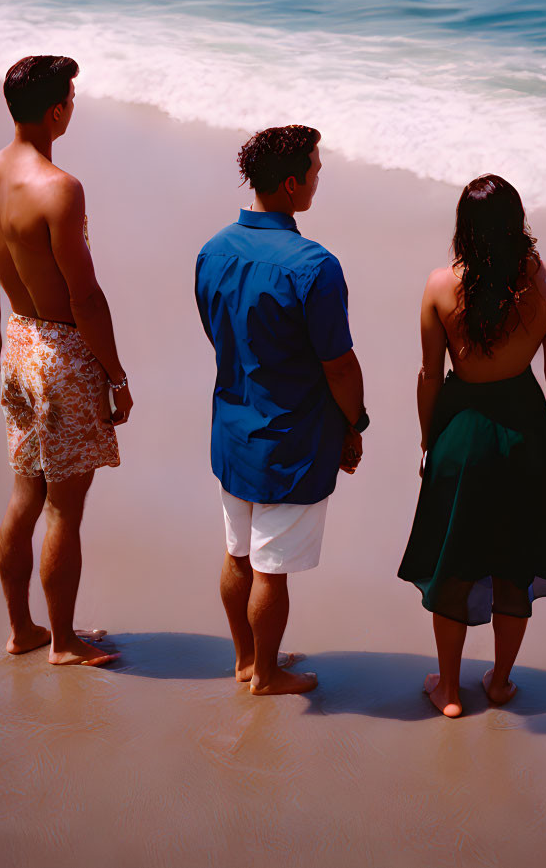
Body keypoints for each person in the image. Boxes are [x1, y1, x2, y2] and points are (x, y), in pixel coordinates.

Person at [0, 55, 133, 668]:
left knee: (23, 495)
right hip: (63, 351)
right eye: (71, 97)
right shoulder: (60, 188)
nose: (73, 107)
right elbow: (85, 296)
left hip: (18, 342)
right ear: (56, 109)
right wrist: (116, 376)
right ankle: (63, 642)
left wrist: (2, 355)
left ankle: (23, 629)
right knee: (65, 506)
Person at [195, 126, 368, 696]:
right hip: (290, 435)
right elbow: (339, 365)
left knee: (237, 552)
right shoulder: (314, 266)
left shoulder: (213, 249)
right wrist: (356, 423)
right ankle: (266, 676)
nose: (320, 176)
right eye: (316, 169)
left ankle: (246, 658)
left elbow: (217, 335)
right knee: (272, 566)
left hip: (233, 425)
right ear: (291, 184)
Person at [398, 174, 546, 718]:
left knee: (454, 561)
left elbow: (430, 375)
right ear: (516, 222)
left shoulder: (439, 286)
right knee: (514, 562)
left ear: (464, 227)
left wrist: (428, 440)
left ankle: (449, 692)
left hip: (463, 430)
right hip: (525, 429)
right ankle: (499, 681)